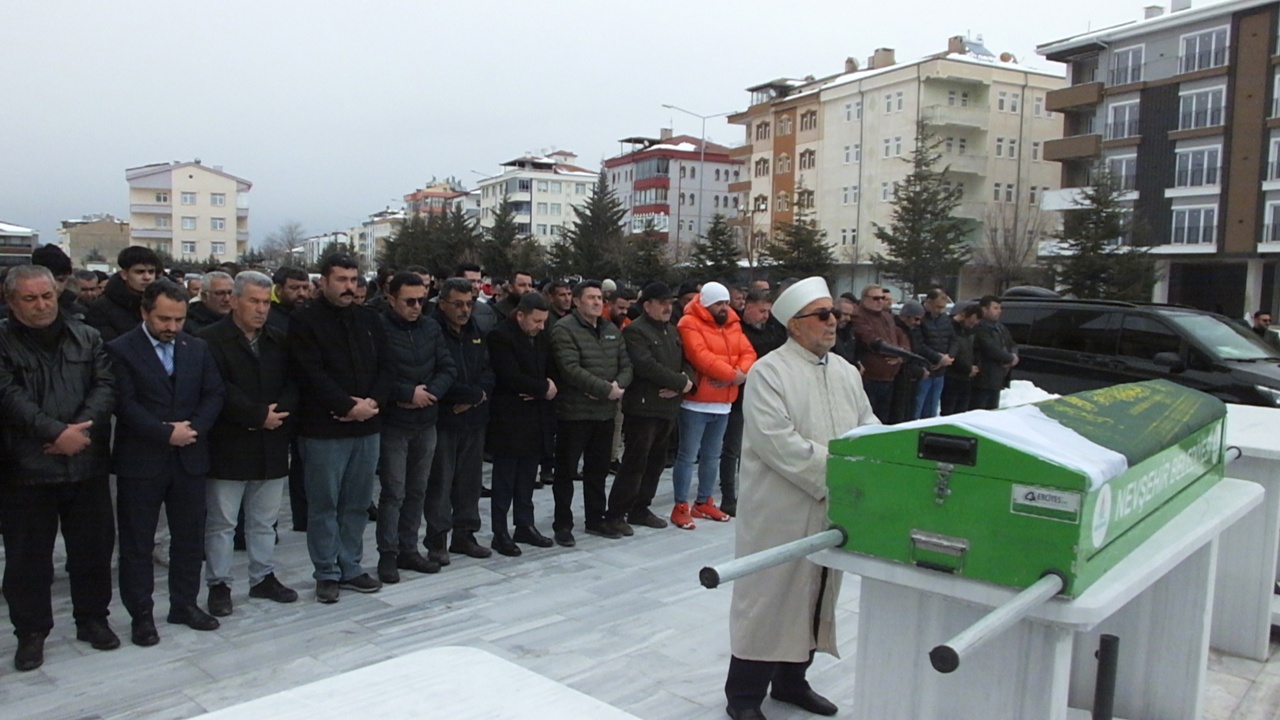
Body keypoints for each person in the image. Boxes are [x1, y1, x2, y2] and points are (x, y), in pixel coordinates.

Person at [724, 276, 878, 720]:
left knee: (816, 593)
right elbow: (779, 443)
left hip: (830, 507)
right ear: (794, 324)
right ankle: (744, 698)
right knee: (769, 599)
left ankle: (792, 682)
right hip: (781, 509)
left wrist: (880, 455)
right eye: (823, 315)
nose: (834, 323)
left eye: (836, 315)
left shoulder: (846, 371)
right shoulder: (769, 372)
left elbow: (867, 424)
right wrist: (841, 470)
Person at [0, 265, 118, 670]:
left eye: (47, 296)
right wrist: (54, 433)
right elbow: (9, 397)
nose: (41, 306)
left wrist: (78, 433)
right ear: (11, 301)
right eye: (30, 299)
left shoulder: (87, 336)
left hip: (86, 462)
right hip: (26, 468)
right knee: (28, 559)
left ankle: (92, 619)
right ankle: (31, 632)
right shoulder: (2, 342)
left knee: (93, 550)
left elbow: (105, 385)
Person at [109, 279, 226, 646]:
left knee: (189, 538)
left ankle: (184, 604)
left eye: (179, 319)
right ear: (145, 312)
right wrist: (164, 432)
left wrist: (194, 429)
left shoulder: (197, 347)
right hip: (142, 461)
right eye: (164, 319)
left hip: (189, 457)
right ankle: (141, 614)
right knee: (138, 543)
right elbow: (124, 405)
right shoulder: (120, 350)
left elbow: (213, 392)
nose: (172, 327)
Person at [197, 271, 300, 616]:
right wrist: (256, 415)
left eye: (264, 302)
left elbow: (292, 383)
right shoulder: (209, 340)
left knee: (264, 519)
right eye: (253, 301)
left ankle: (262, 576)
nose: (260, 309)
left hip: (272, 441)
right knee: (223, 522)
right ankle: (219, 584)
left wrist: (277, 415)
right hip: (230, 442)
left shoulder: (277, 339)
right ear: (234, 300)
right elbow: (217, 388)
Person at [288, 254, 390, 603]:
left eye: (353, 279)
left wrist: (372, 403)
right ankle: (326, 571)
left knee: (358, 503)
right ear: (324, 282)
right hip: (324, 428)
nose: (349, 287)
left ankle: (351, 565)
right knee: (324, 504)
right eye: (341, 280)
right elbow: (309, 373)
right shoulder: (304, 321)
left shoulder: (369, 319)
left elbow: (386, 367)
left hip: (367, 426)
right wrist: (346, 406)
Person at [376, 272, 455, 582]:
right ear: (391, 299)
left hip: (426, 421)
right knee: (393, 492)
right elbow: (377, 372)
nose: (417, 306)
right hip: (394, 423)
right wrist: (407, 393)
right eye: (409, 301)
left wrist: (430, 393)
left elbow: (447, 366)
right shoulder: (379, 328)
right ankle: (388, 554)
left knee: (418, 490)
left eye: (422, 300)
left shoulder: (431, 327)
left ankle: (409, 548)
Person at [549, 279, 632, 545]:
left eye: (599, 298)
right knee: (566, 471)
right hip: (575, 413)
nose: (597, 302)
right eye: (591, 298)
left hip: (605, 412)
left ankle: (596, 519)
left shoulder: (610, 329)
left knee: (597, 470)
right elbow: (570, 368)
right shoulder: (564, 329)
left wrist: (618, 385)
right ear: (576, 301)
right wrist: (603, 389)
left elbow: (626, 363)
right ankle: (563, 524)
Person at [605, 282, 692, 534]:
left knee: (656, 462)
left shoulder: (673, 331)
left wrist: (685, 383)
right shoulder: (635, 332)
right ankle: (617, 512)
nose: (668, 307)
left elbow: (686, 363)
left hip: (668, 407)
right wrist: (679, 382)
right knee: (635, 461)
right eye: (662, 303)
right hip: (643, 408)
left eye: (670, 303)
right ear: (647, 305)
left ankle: (641, 507)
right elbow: (645, 365)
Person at [671, 282, 756, 530]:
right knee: (687, 456)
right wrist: (733, 375)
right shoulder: (689, 322)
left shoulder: (733, 323)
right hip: (696, 404)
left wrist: (741, 374)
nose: (724, 307)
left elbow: (748, 351)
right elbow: (699, 355)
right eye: (719, 303)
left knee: (712, 456)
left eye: (727, 303)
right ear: (707, 303)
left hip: (724, 403)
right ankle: (680, 506)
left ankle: (703, 501)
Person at [425, 278, 496, 562]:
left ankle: (465, 535)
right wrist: (466, 396)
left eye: (469, 304)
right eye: (458, 304)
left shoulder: (477, 331)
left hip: (474, 418)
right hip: (444, 418)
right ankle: (437, 539)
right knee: (441, 482)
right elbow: (434, 376)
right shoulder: (432, 331)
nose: (464, 310)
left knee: (470, 481)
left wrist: (477, 395)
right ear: (442, 304)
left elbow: (489, 370)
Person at [486, 292, 558, 555]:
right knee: (504, 479)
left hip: (535, 418)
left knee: (528, 476)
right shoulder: (500, 336)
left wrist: (545, 388)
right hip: (509, 419)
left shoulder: (540, 336)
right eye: (536, 321)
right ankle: (499, 531)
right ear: (520, 315)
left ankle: (524, 524)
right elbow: (510, 377)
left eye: (543, 322)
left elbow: (551, 369)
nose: (540, 327)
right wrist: (543, 388)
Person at [721, 289, 787, 516]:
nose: (765, 316)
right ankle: (729, 496)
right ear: (747, 307)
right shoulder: (736, 329)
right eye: (761, 311)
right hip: (740, 396)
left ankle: (756, 491)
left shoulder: (773, 331)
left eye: (768, 311)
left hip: (768, 396)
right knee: (733, 448)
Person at [848, 284, 909, 421]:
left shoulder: (887, 316)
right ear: (864, 299)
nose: (880, 301)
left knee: (884, 418)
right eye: (876, 298)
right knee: (867, 418)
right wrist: (895, 352)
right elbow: (870, 339)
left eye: (882, 298)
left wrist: (901, 354)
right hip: (870, 378)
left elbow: (902, 336)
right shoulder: (858, 315)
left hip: (889, 378)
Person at [85, 246, 161, 342]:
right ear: (124, 274)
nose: (147, 277)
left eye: (151, 272)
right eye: (139, 272)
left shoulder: (162, 302)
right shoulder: (102, 308)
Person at [970, 295, 1018, 411]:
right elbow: (990, 348)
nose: (999, 311)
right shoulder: (979, 327)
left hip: (997, 378)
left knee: (993, 410)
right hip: (983, 378)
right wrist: (1009, 358)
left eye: (1000, 308)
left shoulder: (1000, 327)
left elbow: (1012, 344)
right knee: (979, 411)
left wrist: (1014, 356)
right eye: (995, 308)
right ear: (984, 309)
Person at [915, 289, 956, 419]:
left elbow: (954, 339)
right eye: (938, 307)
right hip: (924, 368)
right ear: (928, 302)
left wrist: (949, 356)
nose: (941, 310)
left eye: (943, 307)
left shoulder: (945, 318)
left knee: (932, 409)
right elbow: (918, 344)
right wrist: (938, 358)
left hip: (940, 371)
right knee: (918, 406)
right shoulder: (919, 317)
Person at [940, 302, 983, 415]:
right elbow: (953, 352)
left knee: (962, 411)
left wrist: (976, 367)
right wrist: (967, 368)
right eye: (970, 322)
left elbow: (976, 349)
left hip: (967, 377)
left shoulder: (970, 331)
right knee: (949, 410)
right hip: (953, 375)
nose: (971, 326)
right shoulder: (951, 327)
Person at [31, 244, 88, 319]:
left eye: (61, 280)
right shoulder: (17, 310)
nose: (56, 287)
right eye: (49, 279)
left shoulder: (78, 314)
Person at [454, 263, 498, 335]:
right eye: (471, 281)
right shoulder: (444, 307)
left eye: (478, 282)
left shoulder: (487, 311)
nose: (476, 286)